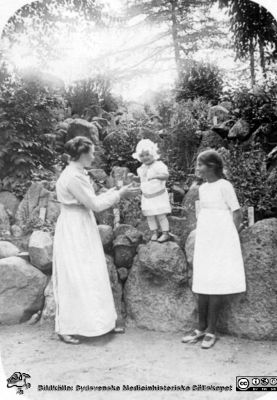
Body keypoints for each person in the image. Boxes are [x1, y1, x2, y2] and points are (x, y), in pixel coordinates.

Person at [53, 136, 140, 344]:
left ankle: (98, 323)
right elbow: (95, 204)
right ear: (81, 154)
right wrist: (119, 195)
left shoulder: (78, 173)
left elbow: (89, 200)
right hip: (75, 228)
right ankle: (68, 327)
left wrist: (115, 192)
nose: (93, 156)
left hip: (82, 224)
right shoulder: (72, 176)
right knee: (75, 275)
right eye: (91, 152)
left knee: (90, 272)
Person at [182, 149, 246, 349]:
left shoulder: (224, 185)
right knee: (203, 280)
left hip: (222, 237)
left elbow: (237, 212)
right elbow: (202, 213)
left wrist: (230, 237)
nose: (197, 168)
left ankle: (211, 329)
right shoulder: (202, 188)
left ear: (212, 166)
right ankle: (200, 327)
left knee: (216, 282)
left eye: (201, 164)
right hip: (206, 236)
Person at [131, 139, 171, 242]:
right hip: (147, 196)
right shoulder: (141, 168)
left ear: (153, 153)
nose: (145, 157)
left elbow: (166, 176)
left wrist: (156, 176)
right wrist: (133, 178)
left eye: (147, 154)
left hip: (158, 195)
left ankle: (165, 233)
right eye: (142, 155)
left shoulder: (159, 165)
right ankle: (154, 232)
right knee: (150, 215)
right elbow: (141, 179)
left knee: (161, 215)